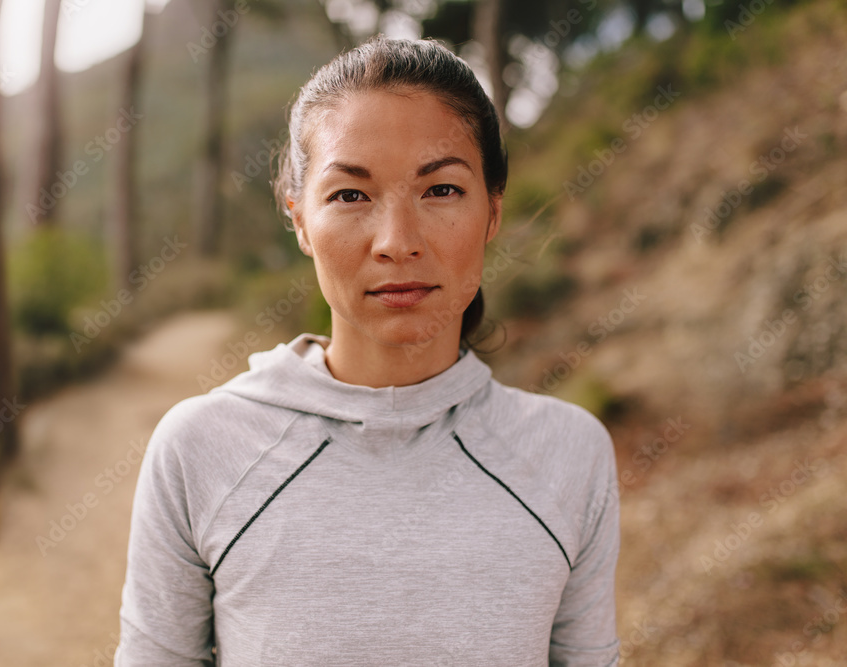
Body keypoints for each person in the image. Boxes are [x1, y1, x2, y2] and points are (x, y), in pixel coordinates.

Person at [115, 35, 621, 666]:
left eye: (440, 191)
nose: (396, 241)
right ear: (299, 217)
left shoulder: (570, 456)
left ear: (492, 212)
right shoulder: (199, 448)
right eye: (351, 195)